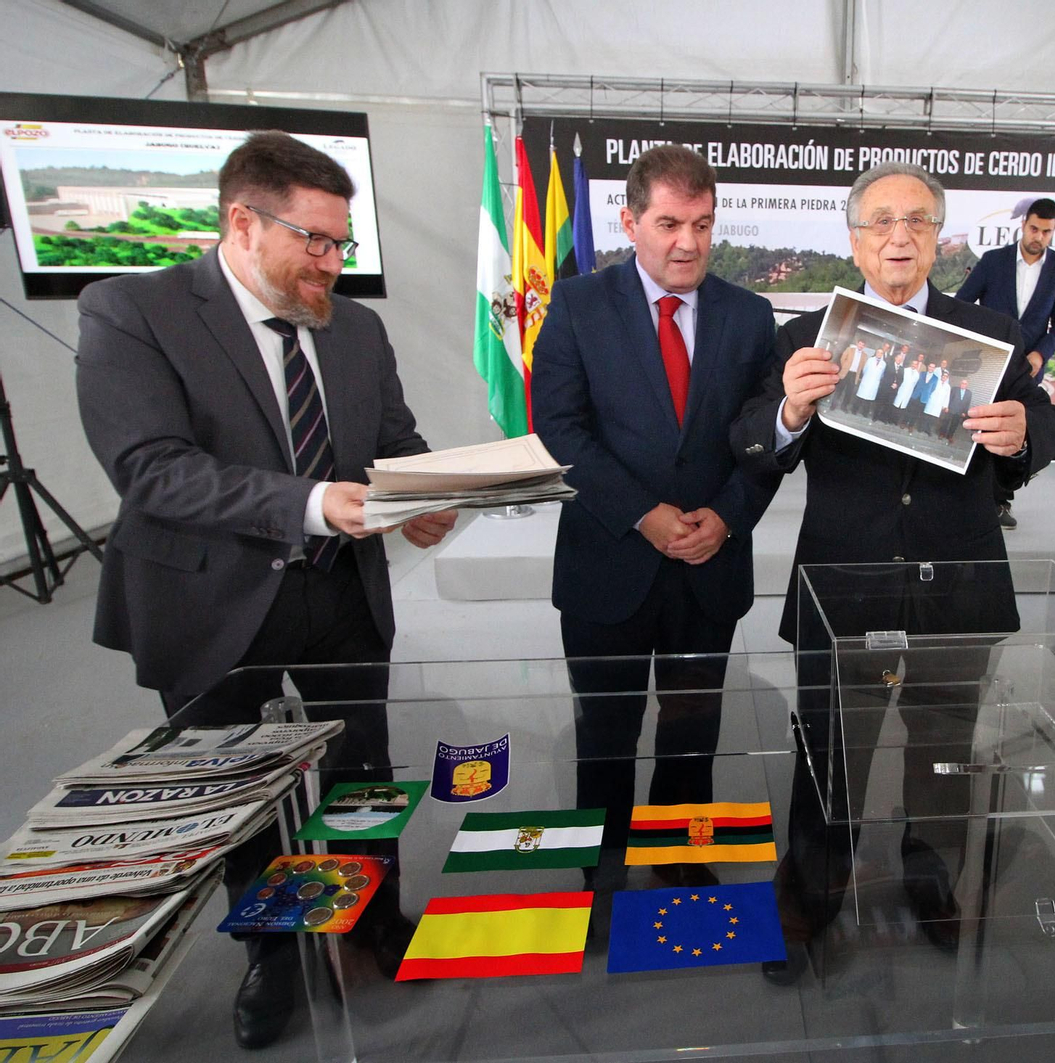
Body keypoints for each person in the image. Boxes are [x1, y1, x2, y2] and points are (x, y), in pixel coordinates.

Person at [75, 130, 456, 1050]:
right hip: (209, 601)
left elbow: (392, 440)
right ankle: (271, 952)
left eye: (342, 243)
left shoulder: (354, 325)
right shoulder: (131, 311)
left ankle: (367, 918)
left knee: (363, 771)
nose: (333, 261)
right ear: (243, 223)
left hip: (342, 596)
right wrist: (317, 503)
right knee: (235, 791)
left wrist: (427, 495)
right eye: (314, 241)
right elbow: (151, 470)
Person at [730, 161, 1055, 973]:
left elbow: (1046, 423)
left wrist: (1023, 434)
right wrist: (788, 409)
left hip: (959, 584)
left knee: (946, 752)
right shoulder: (803, 336)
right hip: (844, 587)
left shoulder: (989, 334)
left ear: (940, 239)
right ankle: (812, 890)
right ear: (853, 241)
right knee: (829, 754)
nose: (899, 236)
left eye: (916, 221)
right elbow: (746, 438)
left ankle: (933, 879)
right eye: (881, 221)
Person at [530, 144, 778, 887]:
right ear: (629, 220)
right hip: (609, 560)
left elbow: (766, 440)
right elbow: (559, 428)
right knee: (604, 730)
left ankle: (677, 855)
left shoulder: (750, 314)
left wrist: (726, 520)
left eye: (702, 224)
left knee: (693, 731)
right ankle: (598, 870)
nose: (688, 243)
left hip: (711, 565)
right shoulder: (576, 305)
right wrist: (642, 514)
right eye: (669, 223)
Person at [956, 198, 1055, 529]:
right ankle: (973, 496)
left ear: (1054, 232)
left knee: (1012, 433)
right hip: (986, 361)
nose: (1038, 236)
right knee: (981, 427)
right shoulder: (993, 262)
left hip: (1027, 368)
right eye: (1034, 228)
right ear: (1023, 225)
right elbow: (962, 304)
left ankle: (999, 501)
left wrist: (1040, 354)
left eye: (1046, 232)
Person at [944, 378, 975, 442]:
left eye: (965, 384)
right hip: (951, 409)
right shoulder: (954, 389)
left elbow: (967, 403)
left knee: (954, 424)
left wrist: (964, 412)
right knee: (946, 422)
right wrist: (946, 407)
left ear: (967, 385)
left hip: (959, 412)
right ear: (960, 384)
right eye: (962, 383)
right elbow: (949, 399)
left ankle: (950, 436)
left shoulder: (969, 393)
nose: (963, 385)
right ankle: (942, 433)